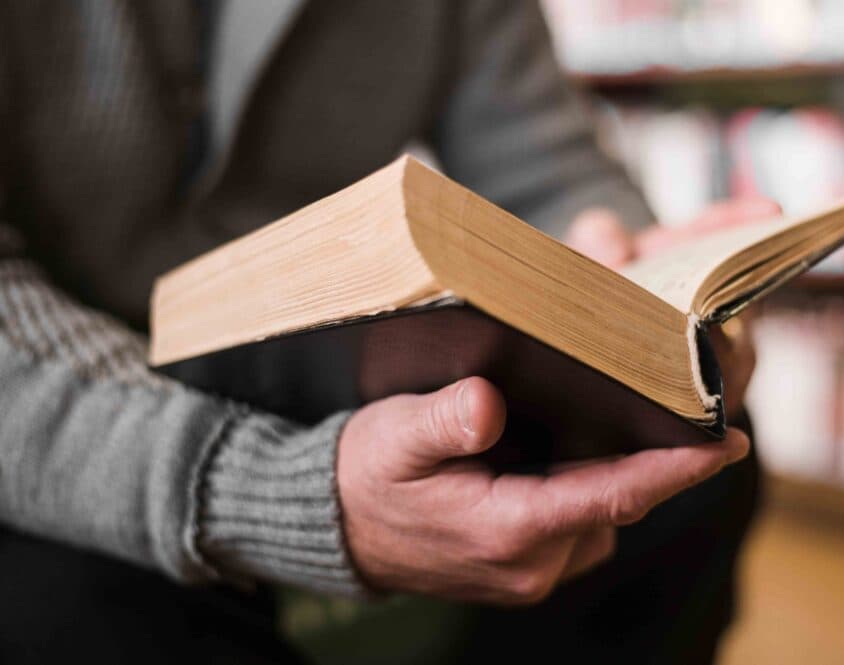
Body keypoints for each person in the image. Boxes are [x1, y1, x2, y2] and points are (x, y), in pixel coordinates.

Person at [0, 1, 772, 663]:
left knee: (697, 466)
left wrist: (635, 294)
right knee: (80, 608)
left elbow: (553, 171)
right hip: (69, 388)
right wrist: (267, 491)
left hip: (321, 356)